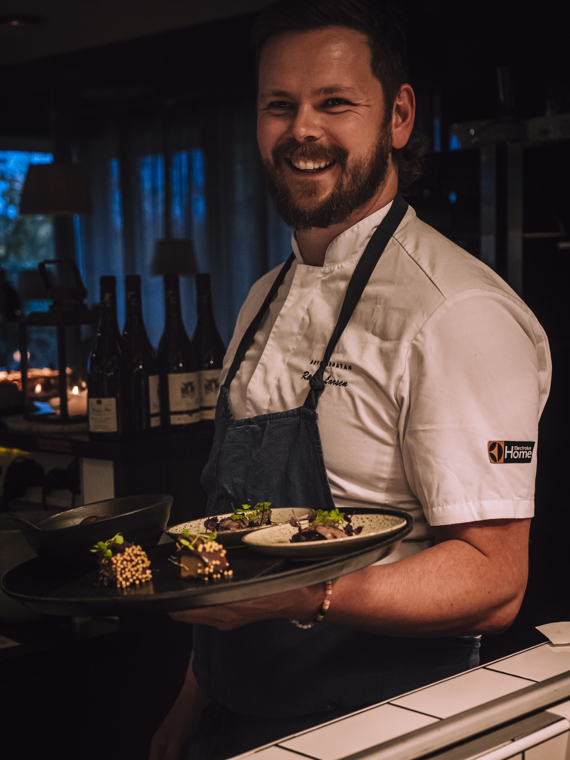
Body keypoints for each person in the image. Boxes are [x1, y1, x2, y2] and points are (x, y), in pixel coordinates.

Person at [150, 1, 551, 758]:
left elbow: (496, 580)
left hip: (380, 731)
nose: (303, 129)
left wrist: (309, 595)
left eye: (335, 102)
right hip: (236, 725)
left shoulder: (457, 312)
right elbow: (232, 535)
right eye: (280, 105)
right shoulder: (260, 297)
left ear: (397, 116)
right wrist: (189, 709)